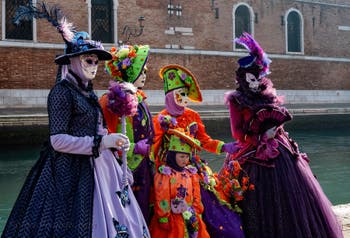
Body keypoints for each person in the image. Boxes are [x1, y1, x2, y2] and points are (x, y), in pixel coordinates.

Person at [2, 3, 150, 237]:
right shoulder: (61, 92)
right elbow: (58, 140)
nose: (93, 66)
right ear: (72, 61)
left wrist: (116, 150)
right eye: (87, 60)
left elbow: (99, 130)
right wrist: (102, 143)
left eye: (95, 61)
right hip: (67, 174)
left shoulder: (88, 93)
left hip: (102, 168)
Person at [218, 32, 343, 238]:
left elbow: (277, 119)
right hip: (252, 151)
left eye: (259, 77)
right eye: (252, 78)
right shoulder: (236, 100)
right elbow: (237, 133)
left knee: (293, 197)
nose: (256, 82)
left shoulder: (268, 94)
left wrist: (275, 131)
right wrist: (259, 135)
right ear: (243, 77)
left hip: (279, 149)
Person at [152, 64, 245, 237]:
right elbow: (153, 148)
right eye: (180, 94)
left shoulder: (193, 116)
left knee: (211, 206)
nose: (184, 98)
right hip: (170, 173)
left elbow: (203, 140)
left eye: (185, 94)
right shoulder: (160, 119)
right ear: (170, 96)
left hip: (195, 169)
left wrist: (224, 146)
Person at [100, 44, 154, 224]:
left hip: (144, 167)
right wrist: (133, 149)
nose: (145, 75)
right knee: (127, 215)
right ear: (131, 72)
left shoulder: (141, 99)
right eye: (142, 71)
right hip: (123, 169)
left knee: (145, 210)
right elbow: (107, 138)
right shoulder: (111, 100)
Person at [150, 127, 210, 238]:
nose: (185, 160)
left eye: (187, 157)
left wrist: (197, 211)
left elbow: (196, 193)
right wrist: (163, 216)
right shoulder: (166, 174)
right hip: (172, 218)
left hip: (190, 215)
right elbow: (162, 196)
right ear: (173, 155)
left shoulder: (191, 173)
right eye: (181, 156)